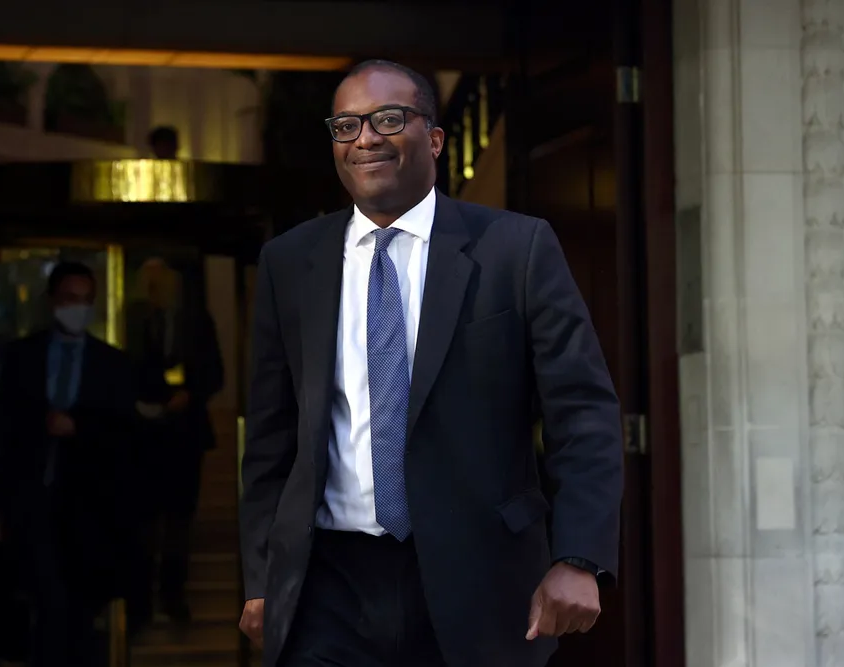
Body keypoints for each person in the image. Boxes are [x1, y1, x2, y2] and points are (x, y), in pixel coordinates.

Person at [238, 60, 623, 667]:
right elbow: (270, 438)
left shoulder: (515, 249)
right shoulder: (289, 263)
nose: (365, 138)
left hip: (481, 582)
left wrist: (578, 556)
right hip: (327, 588)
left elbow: (583, 414)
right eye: (346, 126)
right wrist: (264, 578)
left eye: (388, 119)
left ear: (436, 139)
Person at [0, 261, 137, 667]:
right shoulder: (22, 356)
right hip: (33, 500)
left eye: (87, 301)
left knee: (80, 613)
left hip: (89, 509)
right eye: (71, 299)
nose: (79, 309)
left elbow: (125, 435)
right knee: (46, 605)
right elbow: (4, 427)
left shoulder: (112, 364)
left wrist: (79, 428)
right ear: (53, 300)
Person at [126, 257, 224, 627]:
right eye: (149, 282)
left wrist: (191, 394)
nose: (155, 289)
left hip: (184, 433)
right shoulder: (131, 320)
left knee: (179, 518)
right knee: (142, 518)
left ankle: (172, 594)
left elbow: (215, 372)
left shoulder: (195, 322)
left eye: (161, 281)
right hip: (140, 433)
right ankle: (138, 600)